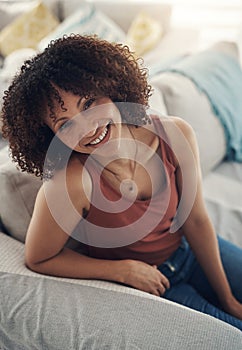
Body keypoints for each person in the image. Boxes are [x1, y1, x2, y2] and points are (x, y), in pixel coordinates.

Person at [1, 34, 242, 331]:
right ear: (51, 138)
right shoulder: (70, 183)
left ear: (113, 88)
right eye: (66, 124)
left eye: (90, 102)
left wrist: (228, 298)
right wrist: (121, 270)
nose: (89, 126)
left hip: (191, 250)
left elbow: (196, 220)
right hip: (152, 283)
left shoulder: (174, 133)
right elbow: (39, 258)